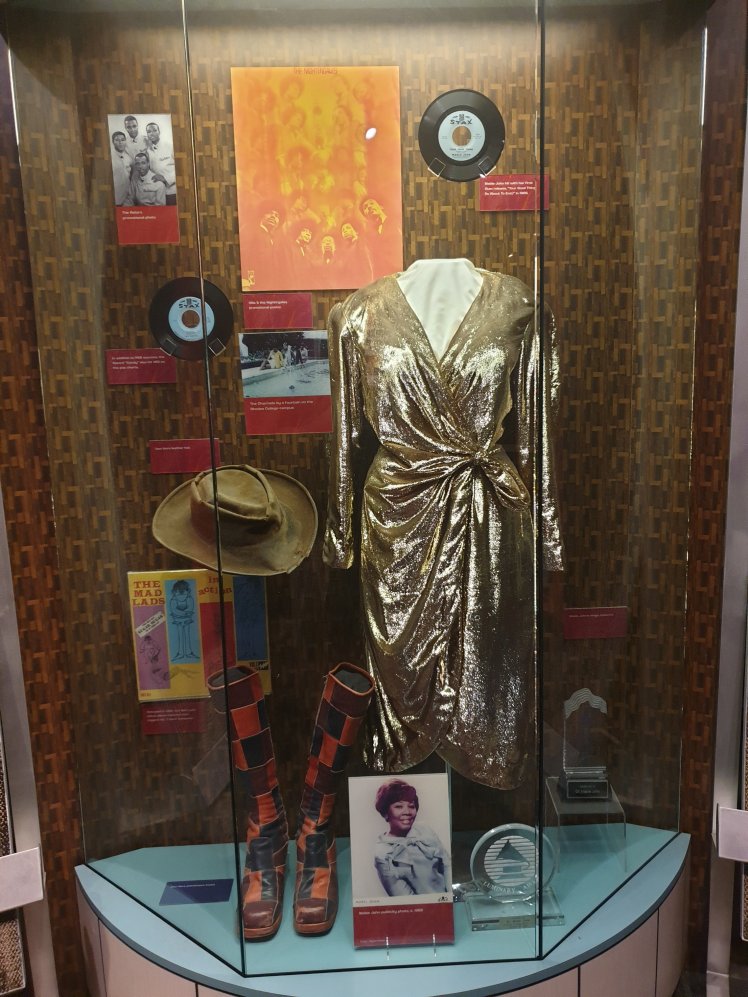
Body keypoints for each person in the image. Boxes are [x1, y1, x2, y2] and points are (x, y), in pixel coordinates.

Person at [372, 779, 449, 896]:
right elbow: (404, 897)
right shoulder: (382, 854)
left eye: (411, 806)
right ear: (385, 812)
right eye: (399, 806)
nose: (407, 812)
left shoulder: (424, 829)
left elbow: (447, 865)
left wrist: (449, 896)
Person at [145, 121, 177, 205]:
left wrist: (165, 178)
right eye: (149, 131)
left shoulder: (170, 146)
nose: (152, 133)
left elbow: (181, 168)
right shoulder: (148, 151)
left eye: (154, 130)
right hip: (157, 193)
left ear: (159, 132)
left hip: (172, 192)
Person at [110, 131, 132, 206]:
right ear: (113, 142)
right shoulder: (110, 157)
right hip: (116, 196)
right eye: (117, 140)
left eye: (122, 140)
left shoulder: (128, 157)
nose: (120, 142)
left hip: (127, 196)